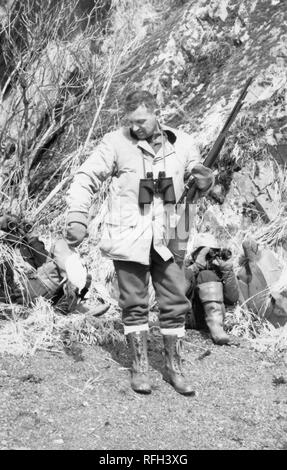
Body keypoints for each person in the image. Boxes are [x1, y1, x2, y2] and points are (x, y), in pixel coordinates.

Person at [65, 90, 214, 395]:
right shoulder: (115, 143)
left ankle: (174, 367)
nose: (137, 128)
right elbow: (86, 176)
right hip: (130, 231)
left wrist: (205, 179)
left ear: (158, 112)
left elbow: (196, 181)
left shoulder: (183, 143)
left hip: (173, 231)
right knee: (133, 302)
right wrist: (78, 214)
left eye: (143, 121)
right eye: (132, 123)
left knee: (174, 301)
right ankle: (140, 367)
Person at [0, 213, 91, 311]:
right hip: (23, 291)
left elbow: (46, 261)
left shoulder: (26, 247)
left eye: (15, 227)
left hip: (39, 285)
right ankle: (76, 300)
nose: (14, 231)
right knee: (60, 249)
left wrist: (32, 238)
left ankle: (76, 294)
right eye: (9, 227)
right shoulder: (4, 253)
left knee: (60, 252)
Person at [184, 233, 240, 345]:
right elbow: (176, 292)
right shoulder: (186, 267)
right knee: (205, 275)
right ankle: (216, 330)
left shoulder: (217, 272)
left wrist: (227, 272)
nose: (209, 257)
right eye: (205, 253)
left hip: (207, 322)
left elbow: (232, 299)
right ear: (195, 254)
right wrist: (195, 267)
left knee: (207, 275)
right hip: (188, 318)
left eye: (212, 254)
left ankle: (217, 328)